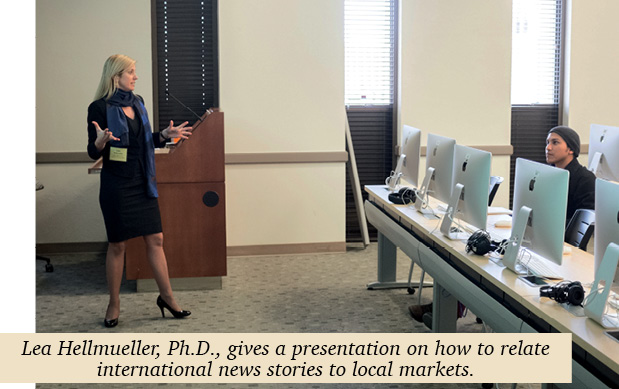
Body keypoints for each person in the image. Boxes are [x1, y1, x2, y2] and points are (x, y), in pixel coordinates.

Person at [409, 125, 596, 328]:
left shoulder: (584, 179)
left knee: (492, 264)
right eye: (547, 142)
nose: (548, 147)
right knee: (479, 257)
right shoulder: (547, 175)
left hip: (562, 250)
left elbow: (583, 222)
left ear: (571, 149)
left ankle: (461, 311)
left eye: (555, 142)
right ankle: (448, 307)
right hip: (537, 240)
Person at [87, 54, 192, 328]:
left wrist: (164, 136)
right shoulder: (98, 108)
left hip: (141, 181)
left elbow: (143, 140)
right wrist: (99, 143)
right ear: (116, 76)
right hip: (116, 184)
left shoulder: (138, 103)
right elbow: (92, 150)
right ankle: (114, 303)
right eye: (131, 72)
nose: (135, 77)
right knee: (118, 244)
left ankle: (167, 297)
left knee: (155, 239)